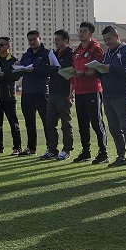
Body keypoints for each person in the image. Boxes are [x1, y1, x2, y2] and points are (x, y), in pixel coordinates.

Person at [96, 25, 126, 169]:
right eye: (105, 40)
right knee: (114, 128)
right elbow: (104, 73)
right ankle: (121, 156)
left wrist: (112, 68)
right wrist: (97, 70)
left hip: (121, 95)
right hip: (108, 95)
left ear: (116, 36)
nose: (107, 42)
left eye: (109, 39)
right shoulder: (106, 53)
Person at [71, 22, 108, 163]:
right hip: (79, 91)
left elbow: (98, 69)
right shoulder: (76, 51)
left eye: (84, 31)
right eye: (80, 30)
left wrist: (84, 74)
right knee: (82, 123)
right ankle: (86, 151)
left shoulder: (96, 49)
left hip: (92, 90)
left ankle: (103, 152)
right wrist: (72, 89)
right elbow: (74, 71)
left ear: (91, 34)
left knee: (96, 122)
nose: (81, 33)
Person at [17, 30, 58, 156]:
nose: (32, 42)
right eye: (30, 40)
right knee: (29, 122)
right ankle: (31, 148)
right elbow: (22, 71)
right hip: (27, 92)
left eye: (34, 39)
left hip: (41, 92)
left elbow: (56, 69)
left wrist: (36, 70)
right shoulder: (26, 55)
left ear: (40, 39)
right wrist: (18, 67)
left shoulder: (48, 53)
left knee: (47, 121)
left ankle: (51, 149)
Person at [41, 29, 74, 161]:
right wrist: (55, 69)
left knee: (66, 123)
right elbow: (46, 69)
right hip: (52, 92)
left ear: (66, 41)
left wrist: (71, 93)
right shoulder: (53, 54)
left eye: (58, 40)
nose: (56, 42)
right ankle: (52, 149)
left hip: (64, 93)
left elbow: (71, 73)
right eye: (55, 40)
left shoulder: (71, 54)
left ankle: (67, 150)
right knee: (49, 123)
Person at [0, 36, 22, 155]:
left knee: (13, 123)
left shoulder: (14, 60)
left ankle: (17, 147)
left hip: (9, 97)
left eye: (1, 45)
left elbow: (17, 76)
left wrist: (5, 74)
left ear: (8, 46)